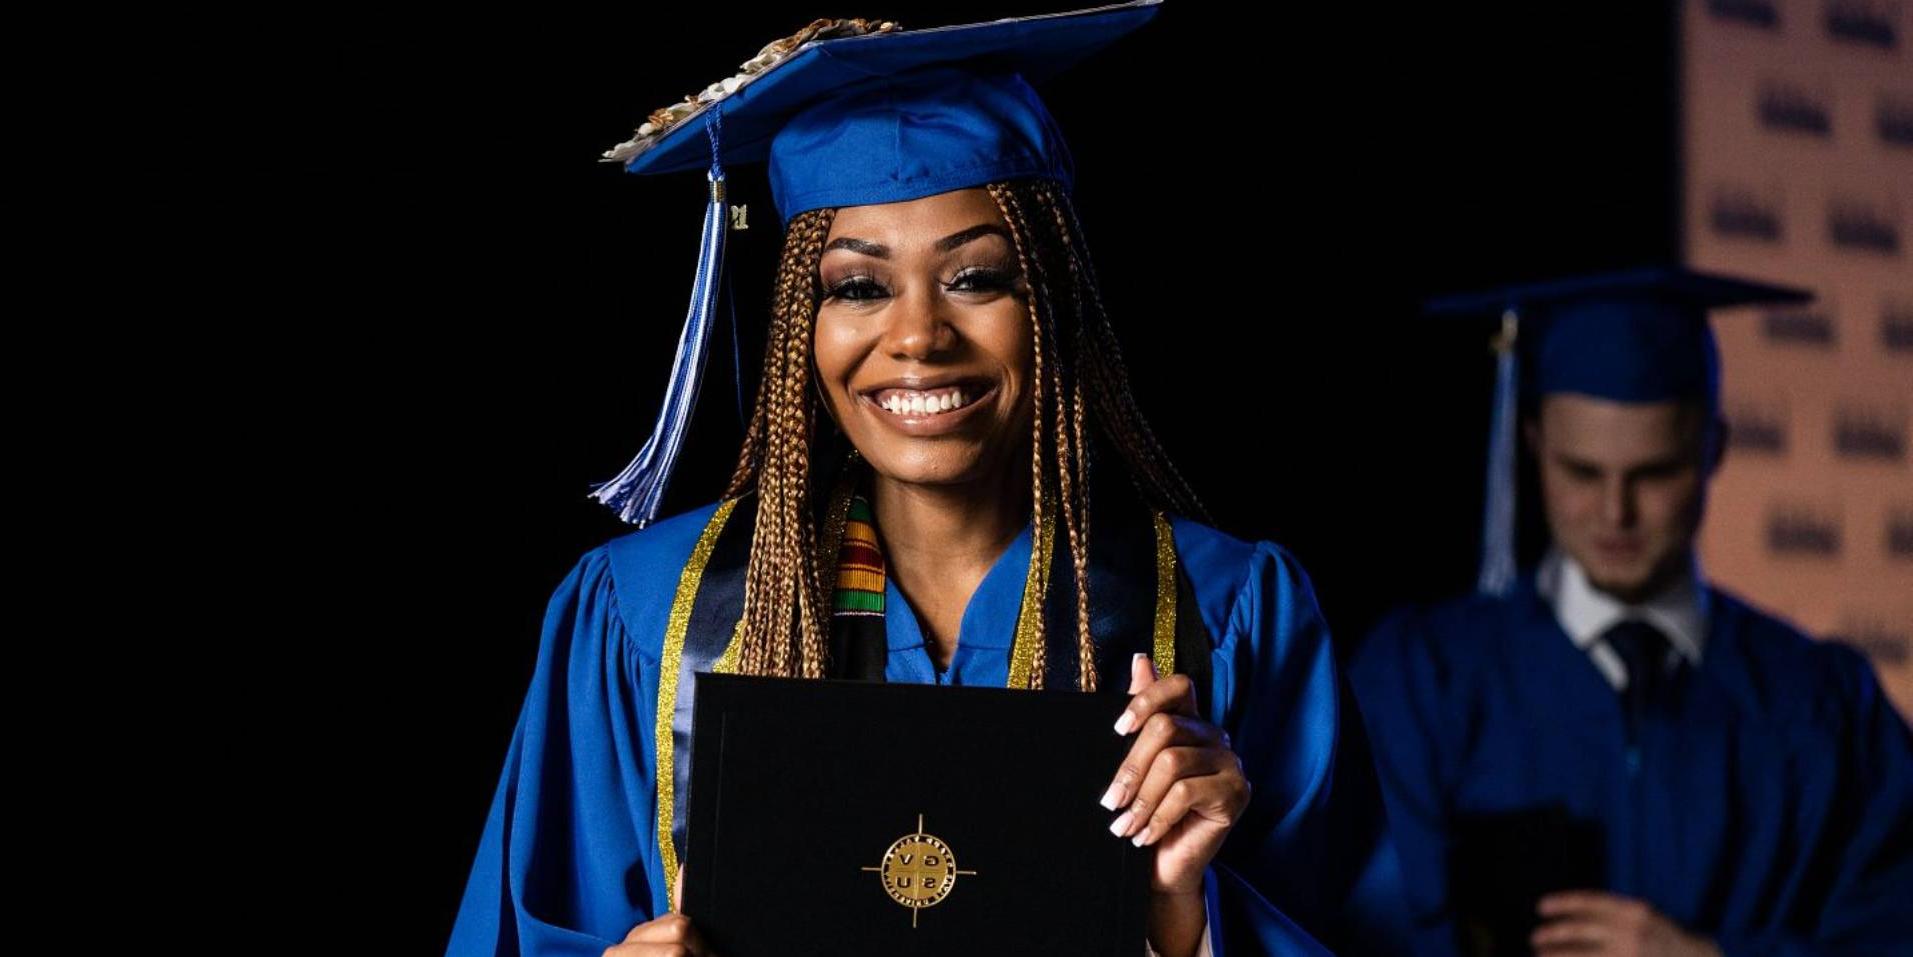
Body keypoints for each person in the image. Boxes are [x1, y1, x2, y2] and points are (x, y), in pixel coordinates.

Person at [442, 4, 1407, 956]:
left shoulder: (1227, 610)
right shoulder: (644, 616)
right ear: (799, 326)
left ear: (1054, 301)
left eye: (978, 277)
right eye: (857, 286)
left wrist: (1181, 920)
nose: (915, 338)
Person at [1348, 266, 1913, 956]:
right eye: (1581, 472)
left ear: (1713, 449)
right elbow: (1357, 927)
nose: (1614, 512)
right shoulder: (1424, 681)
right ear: (1531, 443)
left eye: (1653, 473)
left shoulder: (1823, 705)